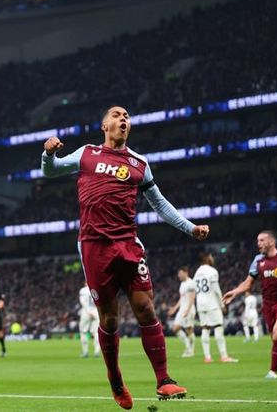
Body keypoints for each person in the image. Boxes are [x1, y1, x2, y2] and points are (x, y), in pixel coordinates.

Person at [41, 106, 210, 408]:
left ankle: (164, 380)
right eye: (117, 115)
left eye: (127, 117)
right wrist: (48, 154)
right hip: (94, 246)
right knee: (109, 318)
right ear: (104, 124)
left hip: (128, 244)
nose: (123, 119)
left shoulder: (139, 163)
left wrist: (190, 228)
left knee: (146, 308)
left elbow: (159, 204)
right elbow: (51, 170)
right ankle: (115, 378)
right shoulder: (87, 153)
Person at [223, 230, 277, 379]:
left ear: (271, 242)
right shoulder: (258, 261)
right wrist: (234, 292)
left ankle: (273, 372)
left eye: (261, 240)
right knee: (274, 336)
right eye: (258, 241)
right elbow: (248, 283)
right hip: (268, 304)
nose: (258, 243)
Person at [193, 253, 237, 364]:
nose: (212, 258)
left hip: (200, 304)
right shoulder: (212, 271)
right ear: (206, 258)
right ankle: (224, 356)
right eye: (211, 257)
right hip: (211, 303)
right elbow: (216, 290)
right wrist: (222, 304)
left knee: (205, 328)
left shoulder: (197, 273)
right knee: (218, 327)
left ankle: (207, 357)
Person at [167, 267, 196, 357]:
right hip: (182, 309)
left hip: (189, 309)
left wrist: (188, 310)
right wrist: (174, 308)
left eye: (180, 273)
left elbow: (192, 298)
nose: (179, 275)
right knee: (175, 329)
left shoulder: (191, 283)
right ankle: (188, 347)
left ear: (186, 272)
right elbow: (181, 298)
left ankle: (191, 351)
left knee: (189, 330)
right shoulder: (182, 284)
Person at [78, 281, 100, 358]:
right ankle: (96, 352)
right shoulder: (96, 289)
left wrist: (88, 311)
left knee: (83, 332)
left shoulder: (83, 290)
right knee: (96, 332)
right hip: (96, 311)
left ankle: (85, 352)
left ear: (85, 283)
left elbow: (82, 302)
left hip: (86, 312)